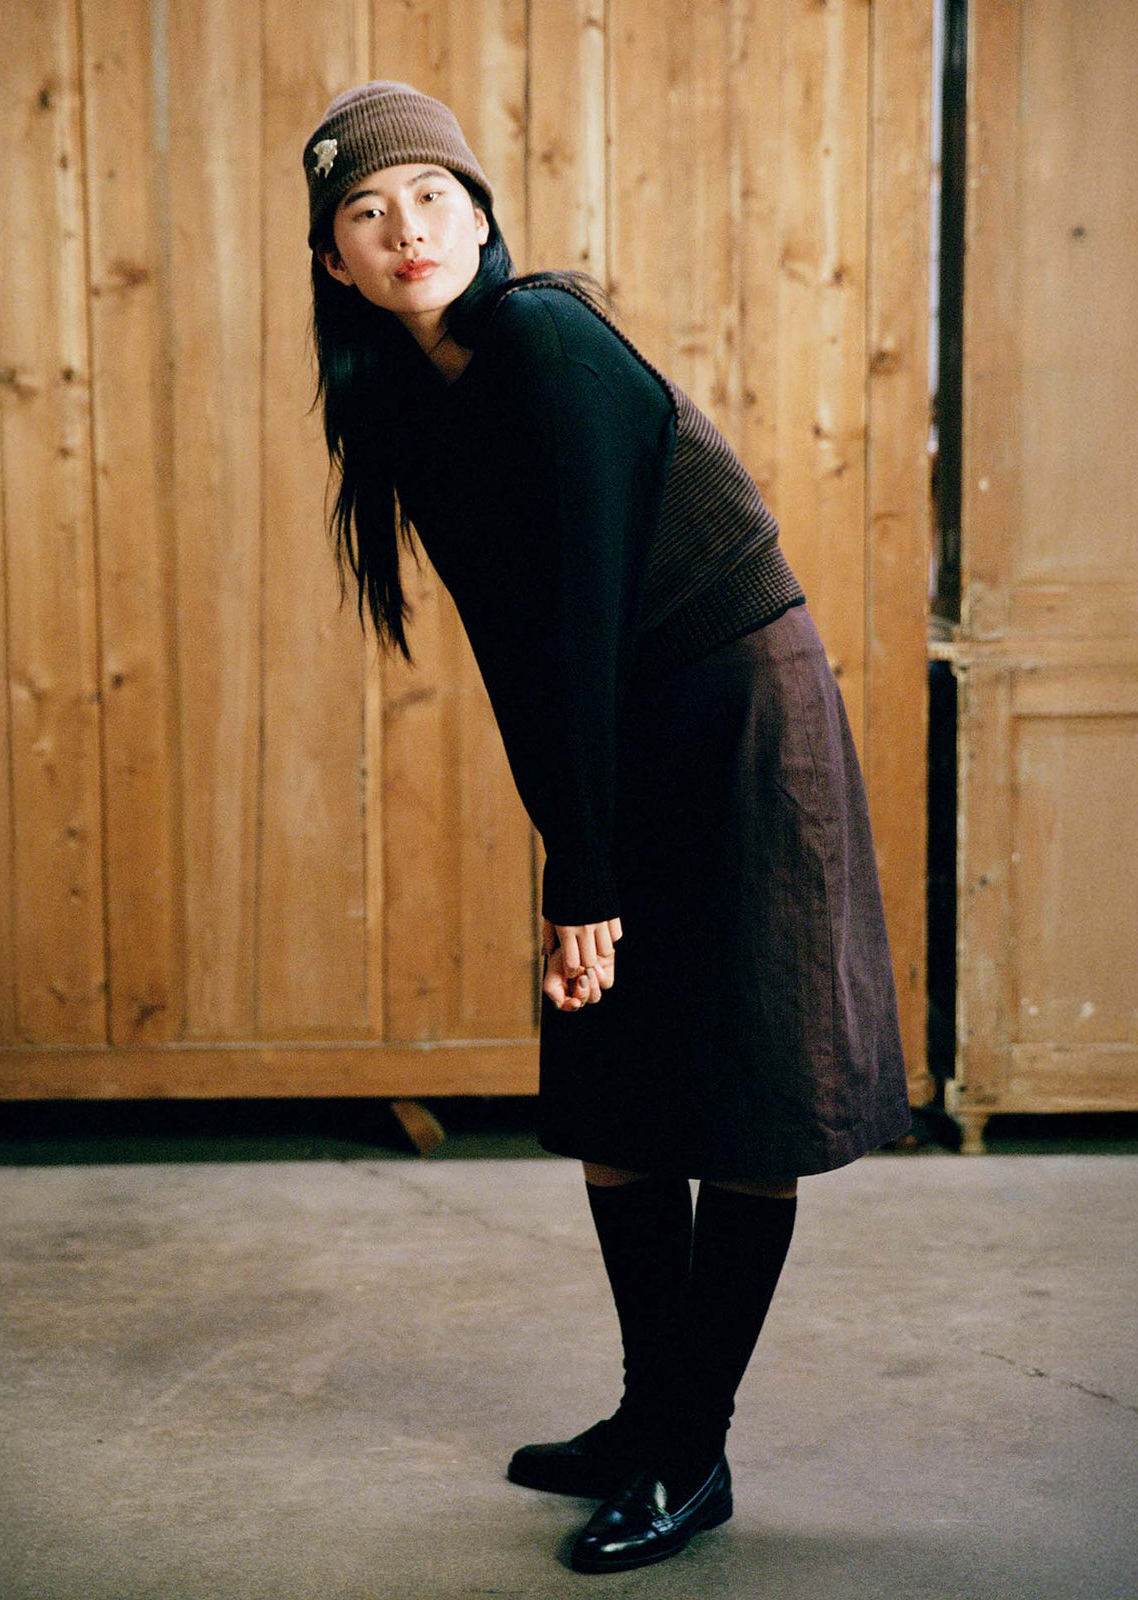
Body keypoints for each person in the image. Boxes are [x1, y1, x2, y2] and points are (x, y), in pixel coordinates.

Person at [301, 79, 913, 1575]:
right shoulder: (412, 407)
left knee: (741, 1073)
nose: (404, 232)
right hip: (622, 720)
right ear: (332, 265)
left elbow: (577, 617)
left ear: (482, 212)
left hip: (735, 709)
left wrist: (583, 877)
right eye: (366, 215)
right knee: (617, 1071)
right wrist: (573, 856)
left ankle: (693, 1449)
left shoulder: (541, 340)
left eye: (431, 199)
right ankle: (648, 1417)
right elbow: (528, 655)